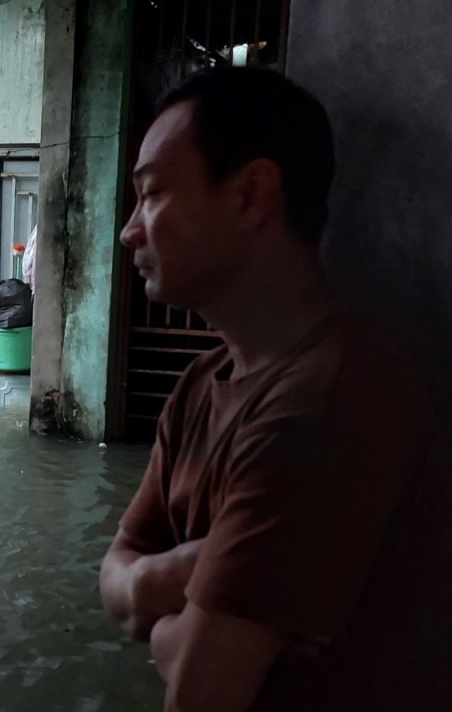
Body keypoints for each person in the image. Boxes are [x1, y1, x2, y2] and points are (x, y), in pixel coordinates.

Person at [99, 65, 452, 711]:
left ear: (250, 195)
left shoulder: (331, 399)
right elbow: (117, 568)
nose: (130, 230)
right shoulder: (200, 386)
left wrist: (162, 623)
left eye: (151, 194)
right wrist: (173, 577)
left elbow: (201, 692)